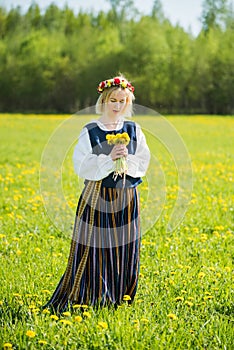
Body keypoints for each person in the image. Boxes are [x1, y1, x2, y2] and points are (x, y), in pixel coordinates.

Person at [43, 75, 150, 313]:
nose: (117, 105)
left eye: (122, 101)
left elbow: (143, 159)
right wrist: (108, 159)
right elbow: (80, 163)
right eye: (113, 100)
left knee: (125, 247)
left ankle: (120, 297)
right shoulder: (90, 130)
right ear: (104, 100)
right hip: (98, 197)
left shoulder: (134, 129)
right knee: (97, 248)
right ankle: (91, 295)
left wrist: (126, 159)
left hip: (127, 198)